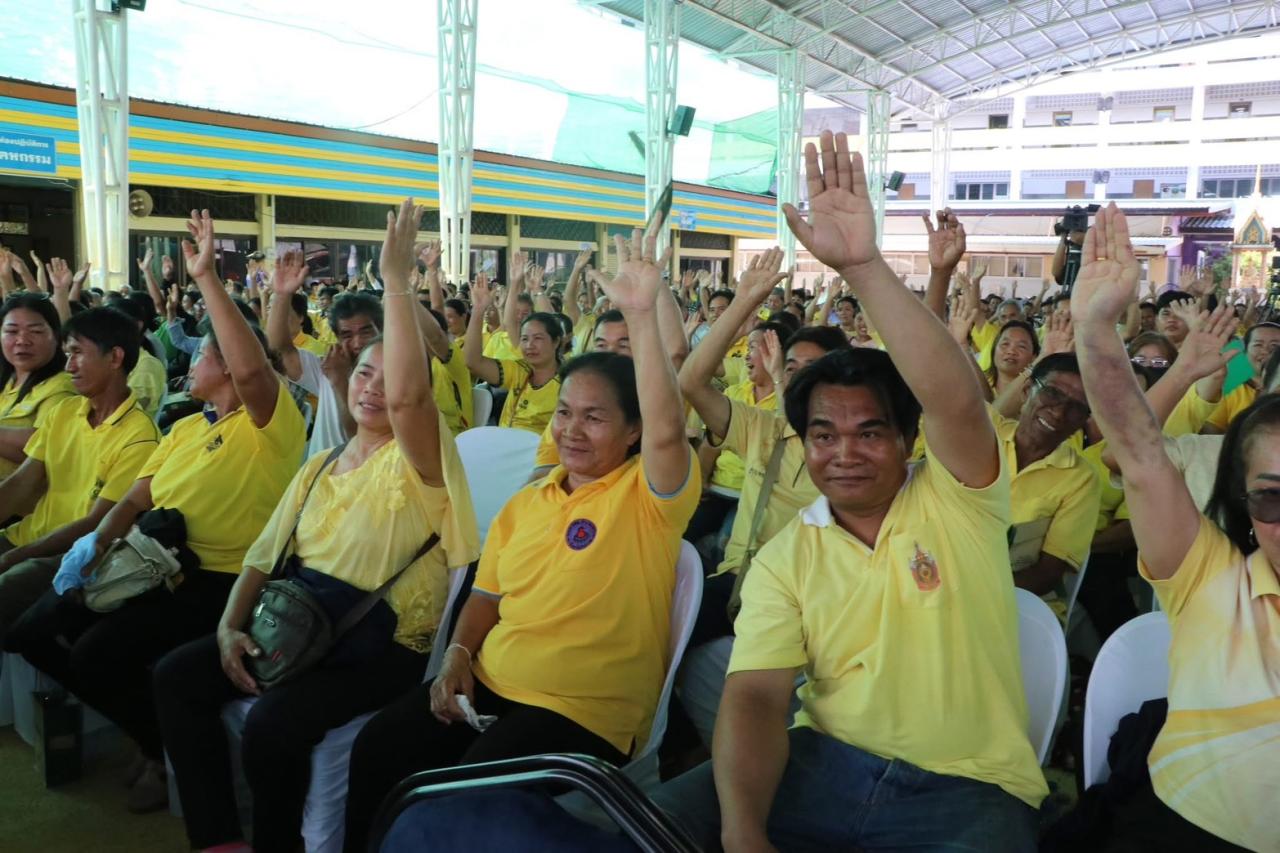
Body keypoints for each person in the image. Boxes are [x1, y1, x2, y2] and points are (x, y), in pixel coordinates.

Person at [658, 130, 1047, 853]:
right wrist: (743, 831)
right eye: (823, 435)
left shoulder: (959, 496)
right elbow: (755, 696)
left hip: (968, 791)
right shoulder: (788, 556)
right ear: (802, 444)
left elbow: (958, 402)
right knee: (628, 828)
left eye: (870, 432)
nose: (844, 453)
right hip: (819, 767)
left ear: (907, 439)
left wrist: (866, 266)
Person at [341, 218, 698, 853]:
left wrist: (641, 315)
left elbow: (672, 428)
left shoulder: (648, 499)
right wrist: (455, 658)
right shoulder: (526, 503)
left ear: (633, 434)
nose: (571, 429)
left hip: (578, 708)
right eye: (564, 412)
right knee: (381, 745)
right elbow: (486, 598)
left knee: (458, 799)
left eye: (594, 418)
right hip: (490, 683)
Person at [153, 200, 478, 853]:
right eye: (363, 372)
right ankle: (218, 838)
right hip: (299, 614)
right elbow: (262, 557)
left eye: (389, 379)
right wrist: (227, 627)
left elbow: (413, 398)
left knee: (274, 725)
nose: (373, 389)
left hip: (378, 645)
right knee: (175, 675)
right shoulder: (323, 462)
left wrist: (397, 284)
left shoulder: (423, 459)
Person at [23, 211, 308, 811]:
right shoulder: (183, 428)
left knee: (101, 652)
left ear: (224, 365)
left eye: (200, 357)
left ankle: (156, 747)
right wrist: (92, 547)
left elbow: (255, 367)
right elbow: (133, 500)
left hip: (222, 581)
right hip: (149, 561)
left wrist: (206, 279)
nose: (187, 366)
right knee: (39, 628)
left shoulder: (269, 427)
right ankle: (147, 734)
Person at [1072, 202, 1275, 852]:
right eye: (1273, 498)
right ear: (1243, 503)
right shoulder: (1213, 578)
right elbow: (1132, 449)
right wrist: (1096, 328)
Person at [677, 247, 853, 747]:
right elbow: (691, 379)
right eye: (791, 366)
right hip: (741, 579)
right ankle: (671, 747)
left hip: (810, 595)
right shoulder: (763, 429)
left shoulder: (855, 451)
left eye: (813, 368)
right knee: (646, 637)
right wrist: (745, 303)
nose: (797, 375)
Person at [0, 308, 160, 637]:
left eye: (77, 354)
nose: (69, 366)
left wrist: (14, 556)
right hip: (24, 538)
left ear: (115, 357)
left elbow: (95, 524)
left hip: (69, 557)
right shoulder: (66, 411)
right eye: (67, 354)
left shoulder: (139, 437)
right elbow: (21, 483)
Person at [998, 353, 1102, 619]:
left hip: (1021, 603)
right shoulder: (986, 435)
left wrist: (976, 595)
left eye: (1077, 407)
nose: (1058, 412)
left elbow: (1048, 573)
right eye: (1052, 394)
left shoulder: (1080, 479)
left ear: (1083, 422)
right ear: (1026, 391)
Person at [268, 252, 382, 455]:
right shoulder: (328, 365)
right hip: (319, 478)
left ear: (381, 330)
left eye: (366, 332)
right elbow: (279, 349)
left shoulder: (393, 377)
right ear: (337, 337)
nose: (357, 343)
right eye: (346, 335)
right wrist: (282, 295)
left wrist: (339, 379)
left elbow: (357, 434)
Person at [464, 277, 564, 435]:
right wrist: (478, 310)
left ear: (556, 342)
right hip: (505, 449)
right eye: (524, 339)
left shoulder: (568, 382)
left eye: (538, 338)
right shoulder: (519, 370)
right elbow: (473, 362)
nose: (529, 345)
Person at [0, 293, 74, 481]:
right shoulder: (7, 379)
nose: (22, 340)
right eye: (11, 331)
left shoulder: (64, 387)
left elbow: (42, 448)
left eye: (36, 331)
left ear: (56, 337)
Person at [983, 320, 1040, 395]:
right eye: (1005, 344)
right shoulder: (976, 383)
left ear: (1034, 357)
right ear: (994, 350)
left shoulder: (1037, 396)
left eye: (1021, 346)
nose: (1011, 351)